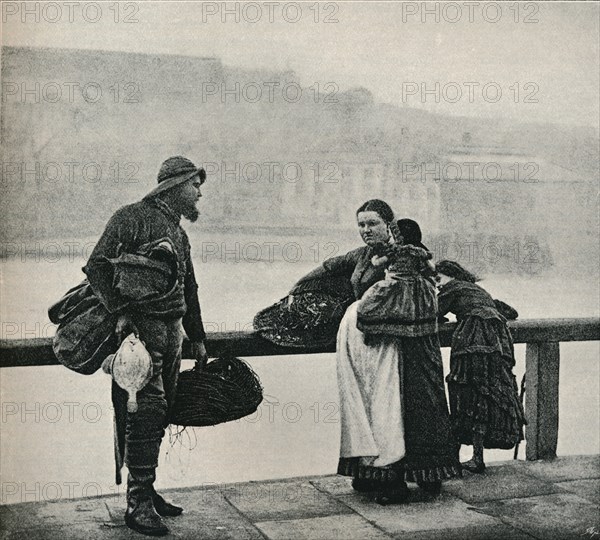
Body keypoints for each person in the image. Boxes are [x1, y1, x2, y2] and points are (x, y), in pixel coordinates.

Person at [290, 200, 460, 504]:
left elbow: (422, 292)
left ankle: (401, 478)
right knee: (374, 407)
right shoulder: (363, 256)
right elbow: (332, 265)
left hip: (402, 343)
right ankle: (374, 472)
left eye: (372, 224)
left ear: (389, 224)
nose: (366, 230)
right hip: (371, 344)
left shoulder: (406, 255)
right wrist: (297, 289)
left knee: (401, 410)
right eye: (361, 225)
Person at [84, 156, 209, 536]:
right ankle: (137, 503)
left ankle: (148, 490)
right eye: (194, 186)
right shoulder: (130, 218)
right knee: (147, 410)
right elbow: (96, 267)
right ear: (174, 186)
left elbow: (189, 288)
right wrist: (121, 311)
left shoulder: (178, 231)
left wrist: (198, 337)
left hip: (173, 335)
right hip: (140, 333)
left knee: (162, 411)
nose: (199, 193)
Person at [435, 260, 526, 473]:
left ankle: (457, 458)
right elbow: (509, 311)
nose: (437, 285)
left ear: (450, 275)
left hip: (474, 339)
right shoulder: (475, 289)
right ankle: (477, 457)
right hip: (497, 341)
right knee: (484, 395)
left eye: (438, 279)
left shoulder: (453, 287)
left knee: (467, 393)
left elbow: (432, 311)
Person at [356, 218, 437, 338]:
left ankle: (378, 332)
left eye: (392, 234)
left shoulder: (395, 251)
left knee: (370, 306)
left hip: (396, 285)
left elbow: (377, 263)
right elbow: (432, 268)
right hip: (418, 288)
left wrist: (375, 258)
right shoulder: (418, 252)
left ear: (399, 236)